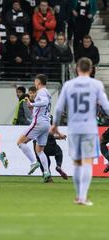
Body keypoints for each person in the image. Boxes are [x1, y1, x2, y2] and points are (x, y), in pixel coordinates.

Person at [51, 57, 109, 206]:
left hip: (74, 128)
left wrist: (55, 125)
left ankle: (78, 196)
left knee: (77, 163)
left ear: (77, 69)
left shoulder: (69, 85)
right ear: (90, 69)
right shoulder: (96, 85)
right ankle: (83, 197)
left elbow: (59, 108)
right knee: (87, 162)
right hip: (89, 128)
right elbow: (107, 107)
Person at [17, 74, 52, 183]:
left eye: (35, 82)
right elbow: (45, 104)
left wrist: (32, 104)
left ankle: (33, 162)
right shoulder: (48, 92)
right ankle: (46, 172)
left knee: (20, 142)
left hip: (39, 122)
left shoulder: (41, 92)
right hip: (46, 123)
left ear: (38, 82)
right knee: (40, 150)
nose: (35, 84)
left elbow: (44, 102)